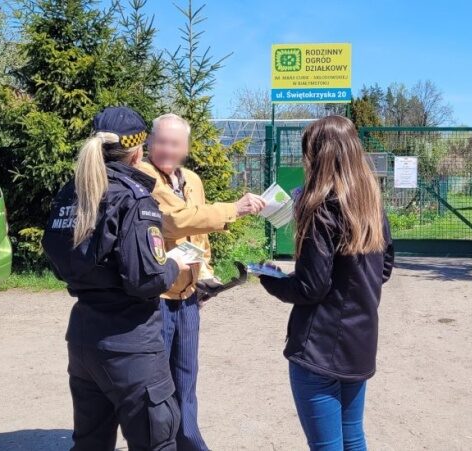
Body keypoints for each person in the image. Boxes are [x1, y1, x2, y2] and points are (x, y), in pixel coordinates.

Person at [42, 106, 187, 451]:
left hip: (83, 341)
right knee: (157, 442)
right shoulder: (136, 199)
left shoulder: (73, 192)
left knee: (90, 443)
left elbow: (58, 258)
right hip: (131, 346)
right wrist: (173, 263)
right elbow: (145, 280)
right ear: (138, 150)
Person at [259, 115, 394, 451]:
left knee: (327, 446)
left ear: (318, 156)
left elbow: (311, 287)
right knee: (353, 437)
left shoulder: (319, 209)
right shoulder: (370, 205)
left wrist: (269, 278)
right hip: (359, 343)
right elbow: (385, 268)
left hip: (319, 348)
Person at [137, 113, 265, 451]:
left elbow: (199, 235)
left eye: (175, 144)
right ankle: (160, 444)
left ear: (186, 148)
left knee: (186, 380)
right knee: (156, 384)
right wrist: (234, 209)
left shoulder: (192, 179)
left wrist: (205, 273)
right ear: (150, 143)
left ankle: (188, 443)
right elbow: (177, 221)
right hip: (157, 297)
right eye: (161, 142)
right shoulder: (144, 176)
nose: (166, 150)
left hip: (189, 298)